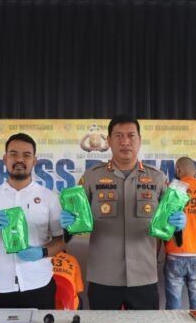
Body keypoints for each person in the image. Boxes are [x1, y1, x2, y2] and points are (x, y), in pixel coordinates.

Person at [61, 114, 186, 310]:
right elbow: (75, 222)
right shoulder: (92, 177)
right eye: (118, 136)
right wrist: (68, 225)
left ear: (140, 140)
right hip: (103, 275)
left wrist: (178, 226)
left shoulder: (157, 178)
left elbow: (170, 221)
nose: (125, 141)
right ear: (109, 141)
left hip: (144, 274)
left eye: (131, 136)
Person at [0, 133, 64, 309]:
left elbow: (61, 240)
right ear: (5, 159)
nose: (20, 159)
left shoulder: (49, 197)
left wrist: (42, 252)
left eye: (26, 155)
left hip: (38, 284)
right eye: (13, 154)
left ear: (34, 161)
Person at [163, 157, 196, 310]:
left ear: (178, 170)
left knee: (173, 307)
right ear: (195, 172)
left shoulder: (171, 191)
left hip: (174, 253)